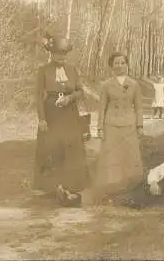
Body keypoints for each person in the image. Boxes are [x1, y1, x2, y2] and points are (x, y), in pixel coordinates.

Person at [32, 35, 90, 207]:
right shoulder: (43, 70)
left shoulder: (72, 70)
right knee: (52, 148)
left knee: (71, 149)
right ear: (51, 53)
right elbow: (37, 96)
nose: (61, 57)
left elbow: (80, 92)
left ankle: (70, 186)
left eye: (64, 54)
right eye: (58, 53)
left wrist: (70, 98)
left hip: (70, 113)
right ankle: (52, 187)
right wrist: (41, 118)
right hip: (51, 113)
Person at [93, 52, 145, 201]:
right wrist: (100, 128)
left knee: (129, 155)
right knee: (111, 156)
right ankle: (111, 190)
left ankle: (129, 189)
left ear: (127, 65)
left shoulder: (134, 84)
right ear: (111, 66)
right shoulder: (106, 85)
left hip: (129, 124)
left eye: (123, 63)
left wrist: (139, 125)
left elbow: (139, 107)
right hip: (111, 124)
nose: (120, 66)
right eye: (116, 63)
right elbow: (102, 107)